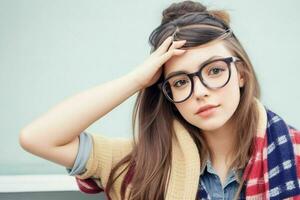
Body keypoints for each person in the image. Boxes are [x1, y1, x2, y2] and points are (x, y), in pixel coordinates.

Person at [19, 1, 300, 199]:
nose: (200, 91)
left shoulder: (294, 154)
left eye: (214, 70)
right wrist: (137, 80)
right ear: (168, 95)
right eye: (180, 82)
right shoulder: (144, 166)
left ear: (241, 73)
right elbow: (37, 137)